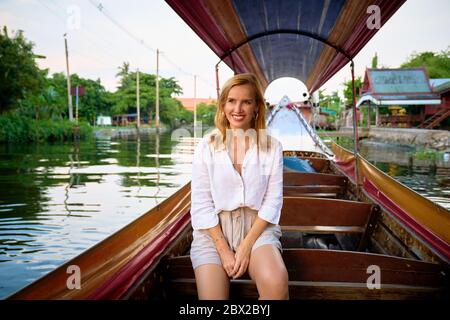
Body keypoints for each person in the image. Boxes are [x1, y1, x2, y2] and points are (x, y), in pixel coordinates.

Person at [190, 73, 289, 300]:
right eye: (232, 100)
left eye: (246, 101)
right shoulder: (206, 146)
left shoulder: (272, 147)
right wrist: (224, 250)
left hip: (257, 227)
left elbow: (272, 201)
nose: (238, 108)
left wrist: (245, 247)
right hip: (213, 231)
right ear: (223, 104)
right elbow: (202, 204)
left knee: (276, 284)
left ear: (256, 107)